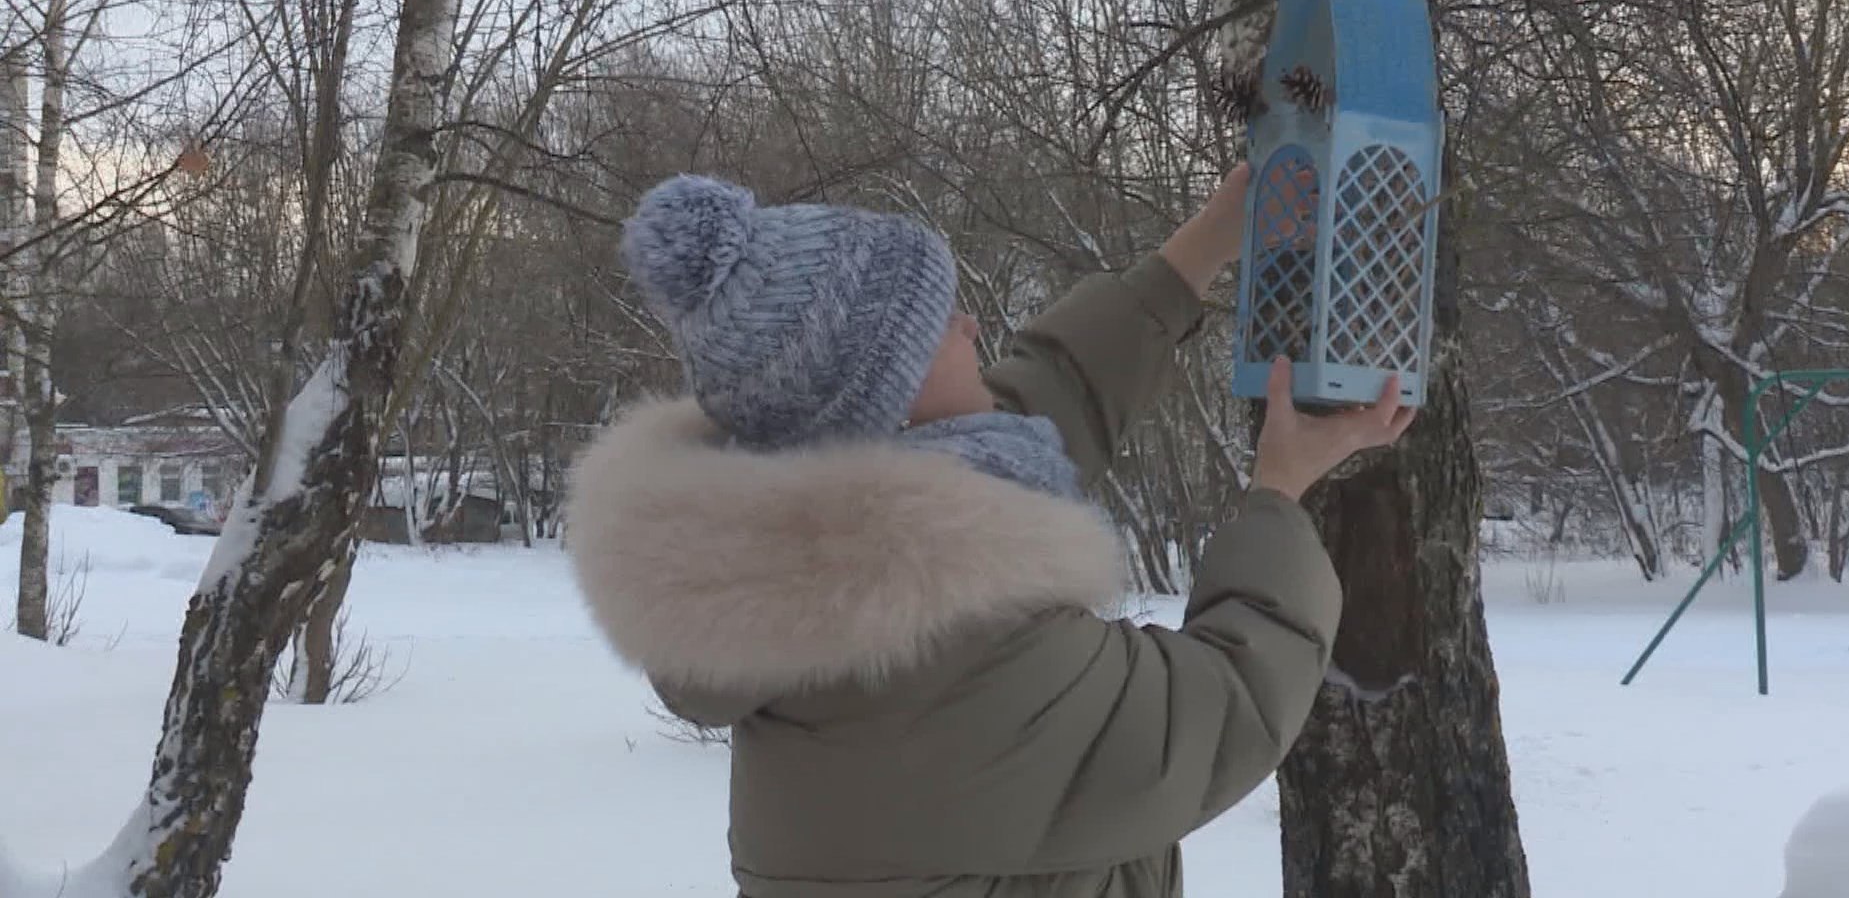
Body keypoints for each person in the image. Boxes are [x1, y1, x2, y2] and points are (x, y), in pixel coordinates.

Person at [564, 162, 1416, 898]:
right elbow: (1215, 710)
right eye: (940, 320)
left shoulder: (793, 565)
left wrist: (1207, 243)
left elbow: (1041, 401)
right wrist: (1280, 487)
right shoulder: (954, 647)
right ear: (882, 401)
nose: (972, 326)